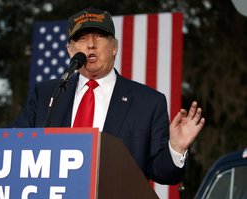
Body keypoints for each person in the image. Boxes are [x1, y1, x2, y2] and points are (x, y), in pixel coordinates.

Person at [13, 7, 205, 185]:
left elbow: (163, 174)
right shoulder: (46, 94)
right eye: (81, 39)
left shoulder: (148, 102)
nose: (90, 45)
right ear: (70, 51)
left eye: (99, 36)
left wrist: (176, 149)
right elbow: (15, 146)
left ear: (114, 47)